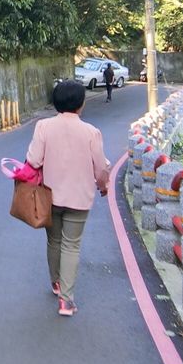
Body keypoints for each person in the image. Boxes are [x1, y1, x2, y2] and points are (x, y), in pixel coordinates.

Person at [26, 80, 110, 317]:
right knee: (71, 245)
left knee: (53, 241)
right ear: (81, 104)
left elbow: (33, 160)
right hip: (79, 197)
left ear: (56, 102)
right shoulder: (91, 132)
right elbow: (101, 169)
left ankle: (56, 283)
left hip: (49, 195)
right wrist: (103, 186)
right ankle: (66, 300)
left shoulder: (43, 127)